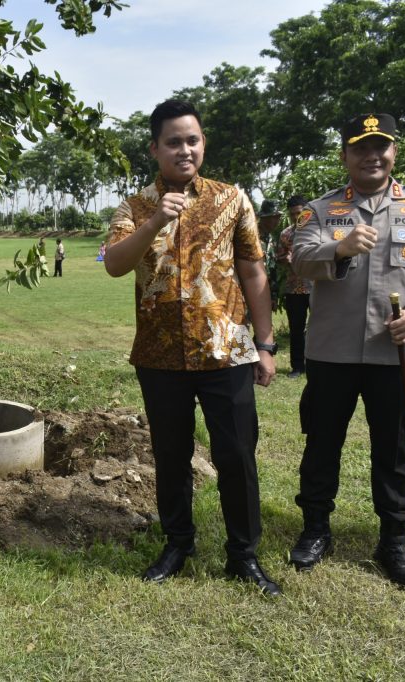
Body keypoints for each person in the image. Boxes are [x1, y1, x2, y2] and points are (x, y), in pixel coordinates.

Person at [105, 99, 281, 596]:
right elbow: (115, 264)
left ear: (203, 144)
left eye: (193, 140)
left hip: (226, 351)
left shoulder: (231, 200)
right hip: (160, 356)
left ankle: (243, 555)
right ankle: (177, 544)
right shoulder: (135, 206)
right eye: (174, 141)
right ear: (155, 148)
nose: (185, 149)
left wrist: (265, 344)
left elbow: (252, 270)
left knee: (237, 454)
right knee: (171, 455)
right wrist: (154, 222)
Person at [289, 113, 405, 588]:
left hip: (396, 354)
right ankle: (316, 529)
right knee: (322, 443)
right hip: (332, 352)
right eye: (361, 148)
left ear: (394, 152)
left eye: (381, 146)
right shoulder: (320, 210)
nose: (372, 155)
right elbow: (300, 259)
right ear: (345, 156)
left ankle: (394, 539)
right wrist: (338, 249)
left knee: (395, 447)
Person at [275, 195, 313, 378]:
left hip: (317, 287)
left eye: (299, 213)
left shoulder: (318, 230)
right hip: (294, 288)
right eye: (292, 214)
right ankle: (297, 366)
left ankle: (317, 363)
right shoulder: (286, 234)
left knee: (320, 327)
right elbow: (280, 257)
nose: (296, 217)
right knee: (296, 328)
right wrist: (285, 259)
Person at [257, 199, 282, 307]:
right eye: (274, 217)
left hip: (265, 292)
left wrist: (273, 296)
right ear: (264, 218)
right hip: (249, 289)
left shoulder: (271, 239)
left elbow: (272, 270)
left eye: (278, 218)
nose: (277, 221)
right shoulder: (251, 236)